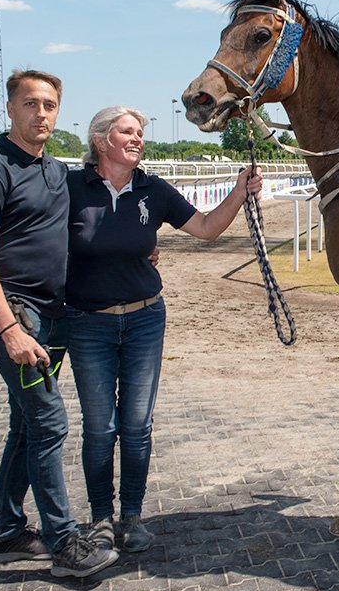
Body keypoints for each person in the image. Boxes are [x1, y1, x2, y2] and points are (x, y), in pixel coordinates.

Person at [66, 105, 262, 553]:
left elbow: (208, 229)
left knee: (136, 425)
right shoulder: (70, 187)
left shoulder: (153, 190)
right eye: (126, 132)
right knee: (99, 427)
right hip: (87, 324)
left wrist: (239, 192)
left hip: (144, 320)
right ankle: (100, 518)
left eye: (140, 133)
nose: (137, 139)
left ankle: (131, 516)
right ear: (100, 141)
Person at [0, 69, 119, 578]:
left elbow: (79, 231)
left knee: (27, 424)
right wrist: (10, 330)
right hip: (14, 316)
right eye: (31, 104)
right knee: (49, 420)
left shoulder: (55, 171)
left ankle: (5, 533)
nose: (41, 113)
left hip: (55, 316)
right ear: (11, 109)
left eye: (49, 104)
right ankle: (63, 542)